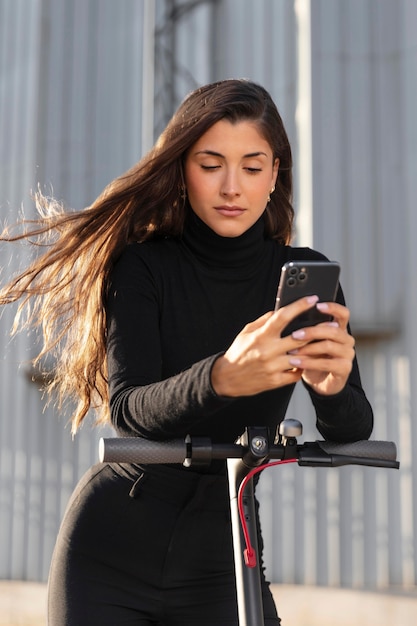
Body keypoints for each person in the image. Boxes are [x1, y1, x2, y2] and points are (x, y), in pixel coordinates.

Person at [0, 79, 373, 625]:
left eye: (251, 166)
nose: (231, 186)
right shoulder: (144, 267)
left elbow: (351, 430)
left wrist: (332, 387)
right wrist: (223, 377)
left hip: (224, 560)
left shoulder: (303, 278)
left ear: (275, 175)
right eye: (210, 163)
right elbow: (130, 408)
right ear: (182, 171)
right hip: (108, 555)